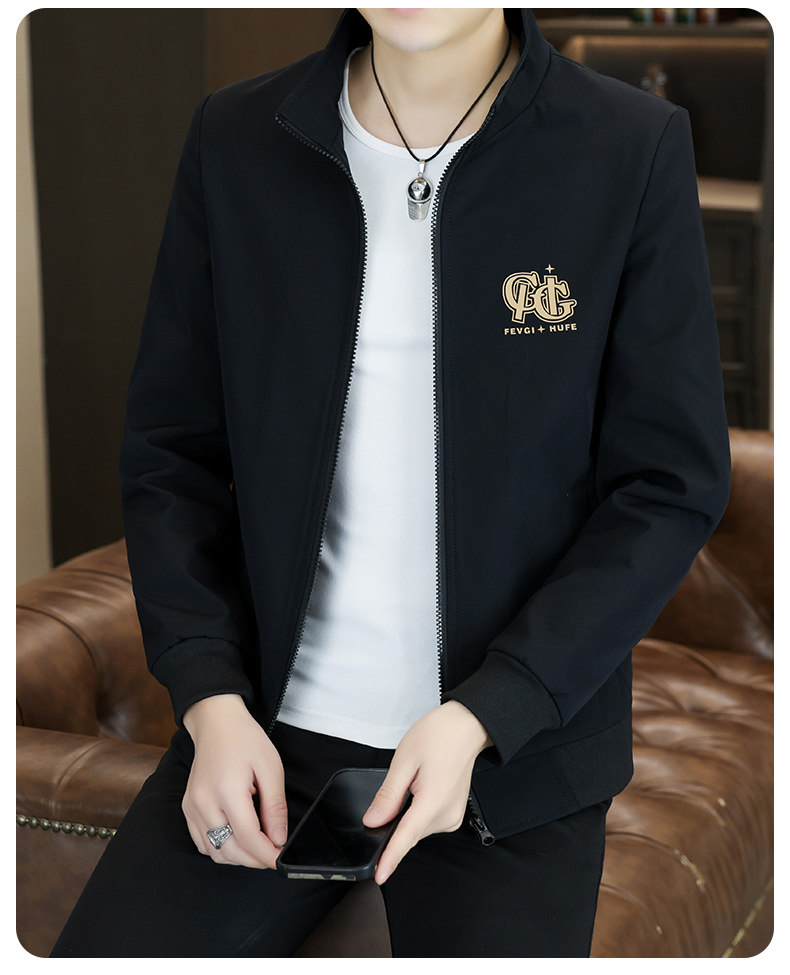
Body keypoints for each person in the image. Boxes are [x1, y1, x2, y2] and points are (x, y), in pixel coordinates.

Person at [51, 7, 731, 958]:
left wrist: (490, 711)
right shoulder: (236, 138)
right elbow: (173, 452)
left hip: (508, 758)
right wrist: (209, 700)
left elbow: (668, 484)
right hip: (263, 733)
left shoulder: (629, 145)